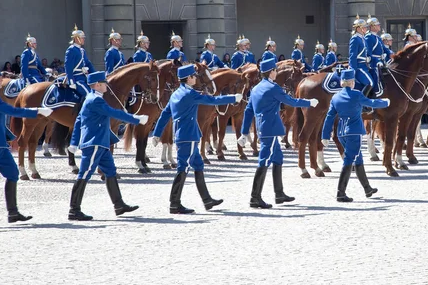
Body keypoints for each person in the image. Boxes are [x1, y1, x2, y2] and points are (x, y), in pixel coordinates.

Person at [152, 64, 241, 214]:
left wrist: (156, 133)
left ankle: (207, 200)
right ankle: (174, 203)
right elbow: (212, 100)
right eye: (193, 76)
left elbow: (164, 115)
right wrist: (233, 97)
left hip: (183, 135)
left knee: (198, 165)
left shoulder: (175, 94)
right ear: (188, 78)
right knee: (183, 168)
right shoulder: (189, 94)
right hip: (189, 136)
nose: (195, 78)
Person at [67, 71, 149, 221]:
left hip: (101, 143)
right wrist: (135, 119)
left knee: (110, 172)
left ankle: (119, 205)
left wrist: (74, 142)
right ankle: (74, 210)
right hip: (95, 143)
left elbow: (79, 120)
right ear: (97, 85)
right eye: (104, 83)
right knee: (84, 174)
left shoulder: (91, 98)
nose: (107, 85)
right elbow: (113, 112)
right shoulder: (95, 100)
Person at [238, 58, 318, 209]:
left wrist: (244, 132)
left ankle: (279, 193)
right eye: (275, 70)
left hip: (264, 128)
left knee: (278, 158)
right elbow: (292, 102)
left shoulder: (256, 89)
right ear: (271, 72)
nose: (276, 73)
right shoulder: (273, 88)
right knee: (264, 161)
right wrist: (309, 102)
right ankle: (255, 197)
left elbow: (248, 112)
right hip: (271, 129)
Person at [0, 65, 53, 228]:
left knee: (12, 174)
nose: (1, 79)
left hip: (0, 144)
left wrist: (8, 136)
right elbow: (11, 111)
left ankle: (13, 212)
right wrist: (36, 111)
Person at [320, 68, 389, 202]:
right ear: (352, 82)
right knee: (349, 160)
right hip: (354, 131)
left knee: (358, 159)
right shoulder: (357, 94)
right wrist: (386, 102)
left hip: (341, 132)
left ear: (342, 83)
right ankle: (340, 192)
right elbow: (371, 103)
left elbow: (329, 117)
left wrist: (325, 135)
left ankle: (367, 188)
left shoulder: (335, 97)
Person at [65, 25, 96, 98]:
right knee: (89, 95)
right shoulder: (71, 49)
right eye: (82, 38)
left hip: (84, 77)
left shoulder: (82, 50)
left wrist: (95, 75)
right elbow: (68, 67)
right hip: (77, 79)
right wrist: (71, 81)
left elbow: (88, 63)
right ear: (76, 38)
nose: (83, 39)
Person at [348, 15, 374, 104]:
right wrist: (353, 70)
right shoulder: (355, 38)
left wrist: (369, 58)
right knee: (369, 83)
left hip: (365, 66)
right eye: (364, 27)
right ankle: (361, 103)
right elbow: (353, 56)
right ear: (358, 28)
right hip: (359, 66)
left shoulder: (362, 38)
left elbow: (367, 53)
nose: (366, 29)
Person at [365, 15, 385, 96]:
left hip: (381, 62)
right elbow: (368, 53)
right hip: (373, 64)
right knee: (374, 81)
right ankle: (373, 97)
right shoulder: (369, 37)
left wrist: (390, 54)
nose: (379, 26)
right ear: (372, 26)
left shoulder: (377, 37)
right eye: (377, 25)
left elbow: (384, 49)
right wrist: (377, 60)